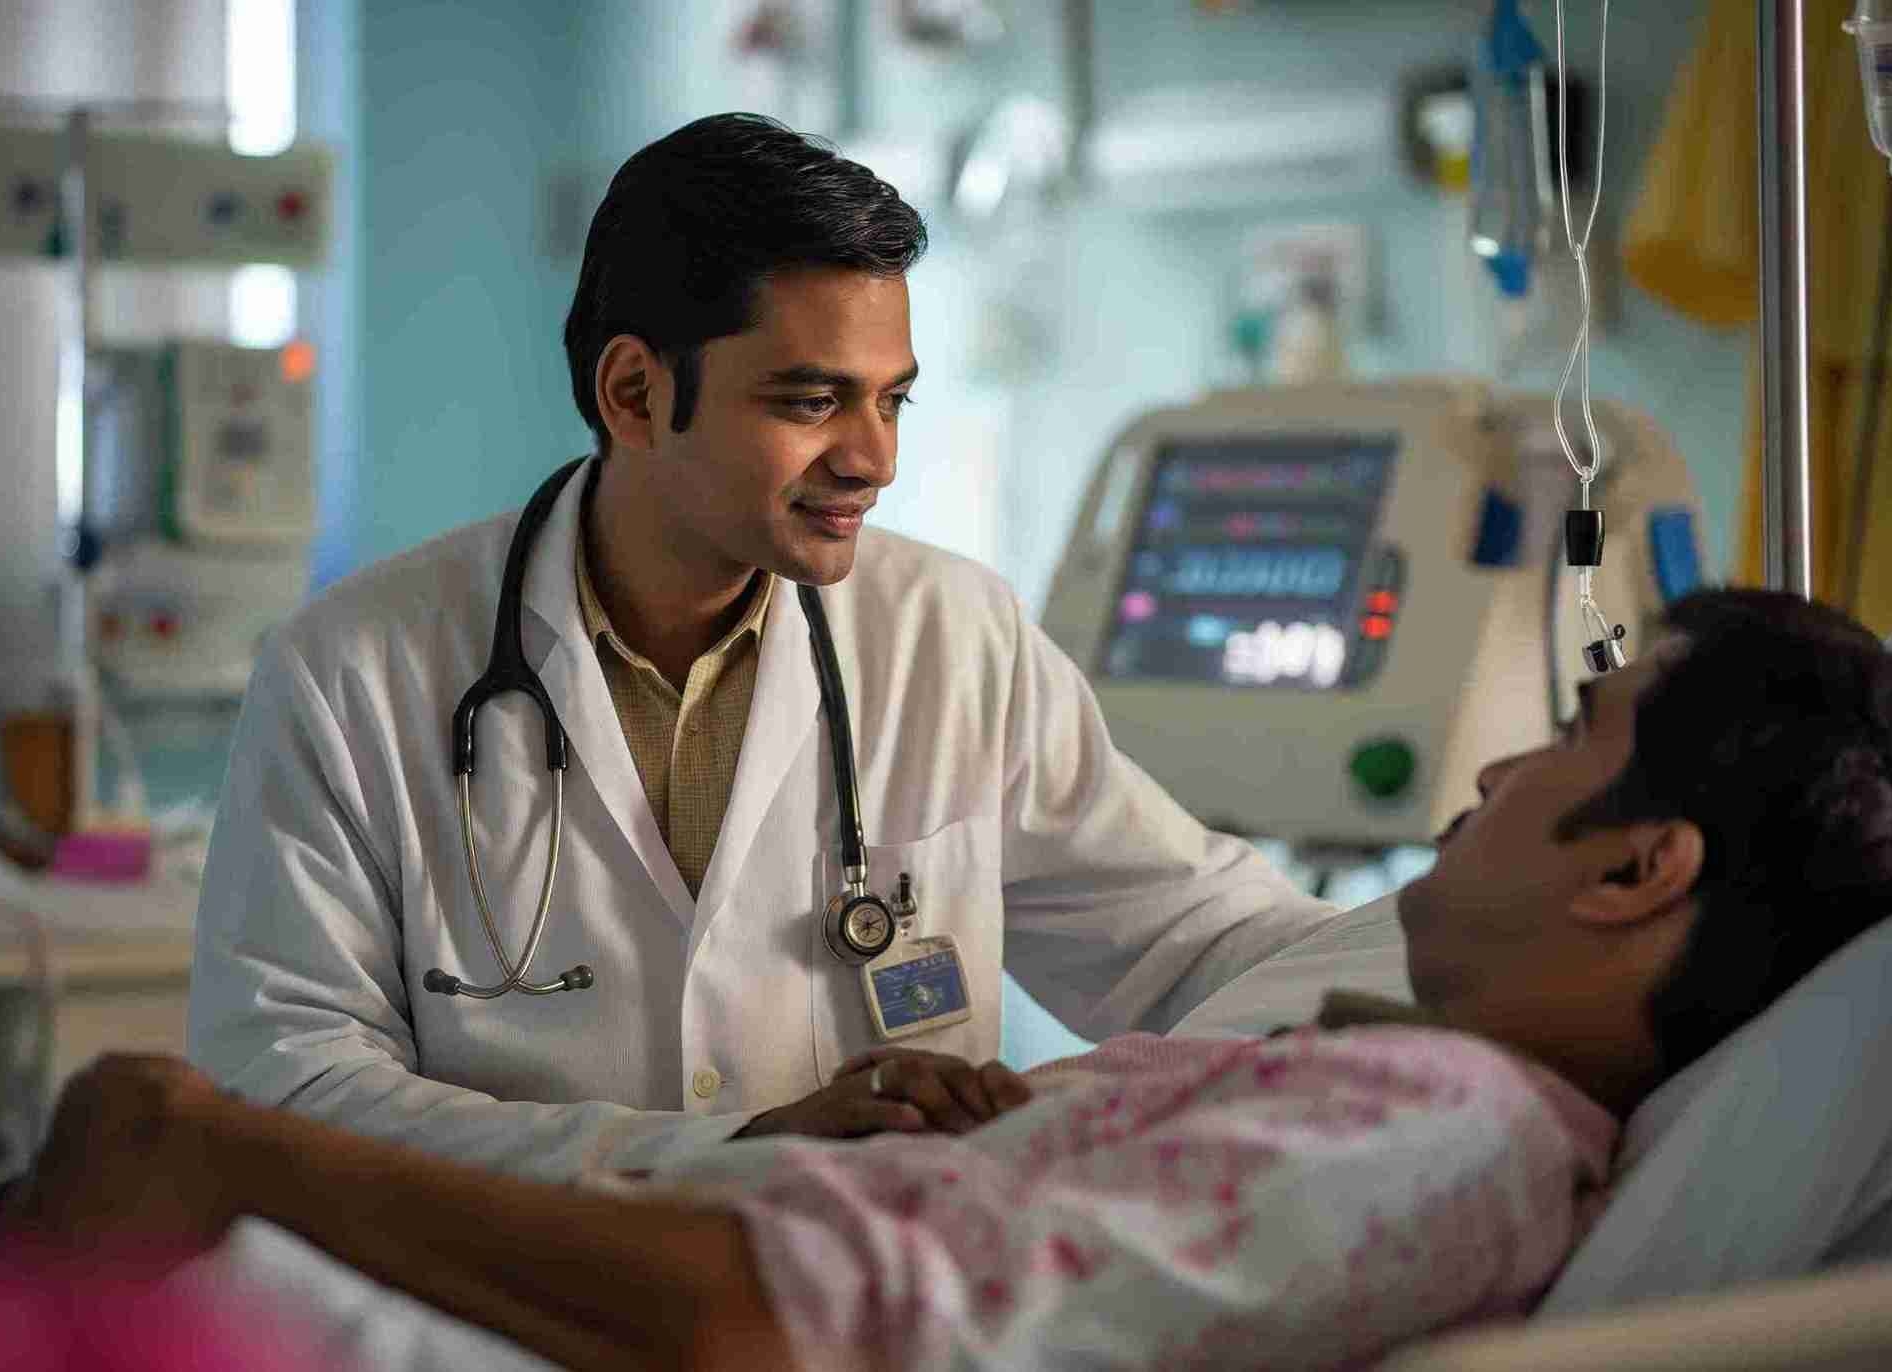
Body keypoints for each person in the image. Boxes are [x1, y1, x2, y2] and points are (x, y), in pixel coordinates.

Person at [2, 589, 1892, 1369]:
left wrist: (239, 1153)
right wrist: (841, 1137)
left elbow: (775, 1329)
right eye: (810, 393)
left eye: (1572, 732)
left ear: (1640, 866)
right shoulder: (1386, 1072)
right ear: (635, 389)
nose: (1497, 768)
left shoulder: (1437, 1132)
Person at [185, 111, 1336, 1181]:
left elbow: (1197, 938)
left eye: (893, 401)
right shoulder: (353, 674)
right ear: (634, 394)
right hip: (512, 1320)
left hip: (861, 1311)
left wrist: (1464, 951)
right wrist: (731, 1149)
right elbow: (285, 1084)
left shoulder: (950, 636)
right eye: (810, 400)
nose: (873, 458)